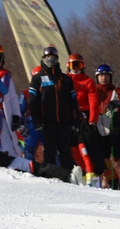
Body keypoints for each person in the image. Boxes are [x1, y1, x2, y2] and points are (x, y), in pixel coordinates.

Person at [28, 45, 83, 182]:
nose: (50, 59)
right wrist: (37, 121)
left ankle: (68, 178)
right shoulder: (38, 79)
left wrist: (75, 120)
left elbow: (73, 102)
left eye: (53, 57)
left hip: (64, 121)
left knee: (65, 151)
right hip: (47, 122)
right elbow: (33, 102)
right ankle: (50, 178)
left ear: (57, 59)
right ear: (43, 58)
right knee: (49, 152)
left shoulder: (65, 79)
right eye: (48, 57)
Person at [93, 64, 120, 189]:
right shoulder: (94, 91)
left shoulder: (116, 91)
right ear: (97, 77)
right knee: (104, 160)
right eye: (101, 76)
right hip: (99, 128)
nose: (104, 78)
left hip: (115, 128)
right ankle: (114, 183)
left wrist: (118, 104)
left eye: (106, 76)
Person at [67, 53, 103, 184]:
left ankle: (90, 174)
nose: (76, 68)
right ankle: (82, 174)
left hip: (83, 118)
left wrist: (92, 119)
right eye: (73, 65)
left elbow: (93, 101)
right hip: (69, 117)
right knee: (73, 149)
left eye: (79, 65)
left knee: (84, 148)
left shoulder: (87, 81)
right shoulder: (65, 79)